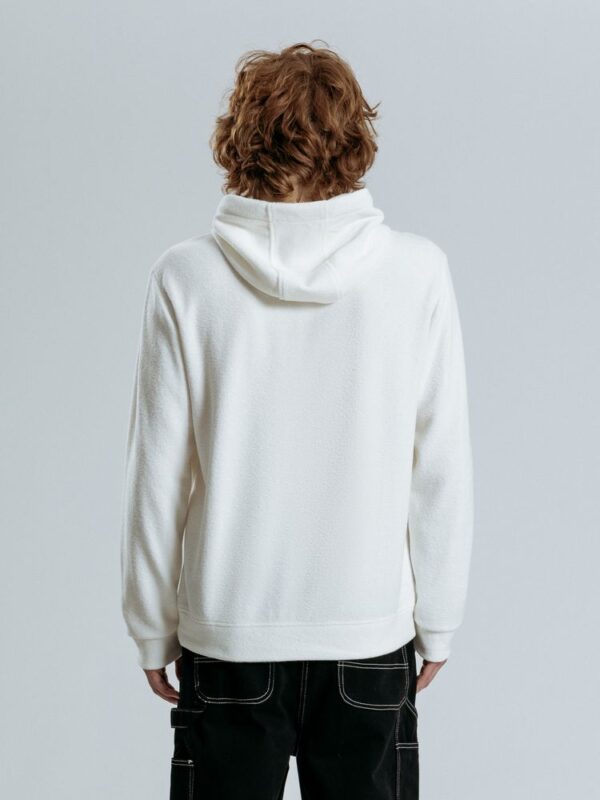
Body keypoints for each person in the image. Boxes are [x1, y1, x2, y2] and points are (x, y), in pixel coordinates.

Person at [120, 41, 474, 800]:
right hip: (368, 634)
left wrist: (151, 624)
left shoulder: (186, 277)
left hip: (229, 634)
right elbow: (440, 464)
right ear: (355, 140)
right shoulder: (417, 271)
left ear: (240, 139)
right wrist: (439, 617)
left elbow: (156, 474)